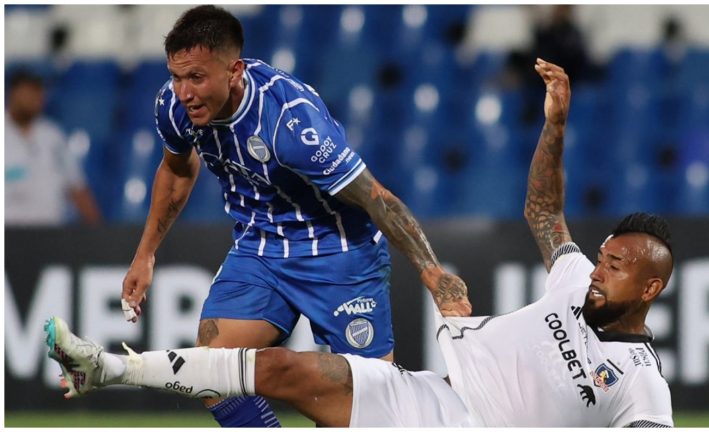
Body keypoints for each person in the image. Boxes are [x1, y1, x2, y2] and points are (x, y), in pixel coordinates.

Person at [46, 59, 674, 427]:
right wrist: (556, 124)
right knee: (278, 369)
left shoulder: (641, 383)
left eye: (615, 266)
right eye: (602, 256)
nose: (597, 270)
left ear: (651, 287)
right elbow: (543, 209)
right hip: (432, 397)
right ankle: (108, 368)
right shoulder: (573, 281)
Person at [119, 5, 470, 427]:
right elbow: (176, 172)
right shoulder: (174, 107)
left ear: (233, 71)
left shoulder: (291, 123)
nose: (184, 92)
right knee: (210, 374)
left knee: (368, 410)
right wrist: (145, 254)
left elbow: (376, 198)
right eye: (176, 77)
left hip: (339, 250)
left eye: (196, 78)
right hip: (261, 244)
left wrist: (435, 276)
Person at [5, 69, 102, 226]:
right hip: (9, 234)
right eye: (28, 93)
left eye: (38, 94)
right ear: (13, 94)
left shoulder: (52, 136)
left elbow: (76, 186)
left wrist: (98, 229)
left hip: (50, 234)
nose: (35, 99)